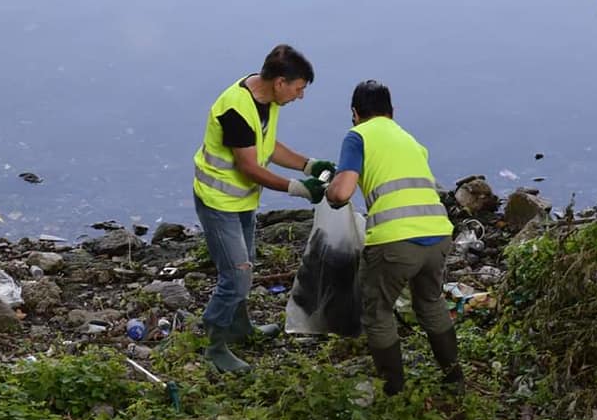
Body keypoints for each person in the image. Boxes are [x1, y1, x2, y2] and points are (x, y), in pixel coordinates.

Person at [193, 44, 335, 373]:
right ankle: (214, 345)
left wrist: (308, 165)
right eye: (299, 89)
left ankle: (240, 329)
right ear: (281, 82)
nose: (300, 96)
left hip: (240, 200)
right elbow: (249, 167)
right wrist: (296, 188)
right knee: (236, 275)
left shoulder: (267, 99)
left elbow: (266, 146)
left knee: (247, 264)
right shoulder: (236, 109)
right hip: (218, 202)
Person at [325, 80, 463, 396]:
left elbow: (343, 192)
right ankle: (455, 381)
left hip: (394, 242)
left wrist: (330, 193)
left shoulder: (357, 136)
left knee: (377, 311)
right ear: (392, 112)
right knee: (429, 301)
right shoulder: (412, 141)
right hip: (439, 234)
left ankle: (394, 393)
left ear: (355, 113)